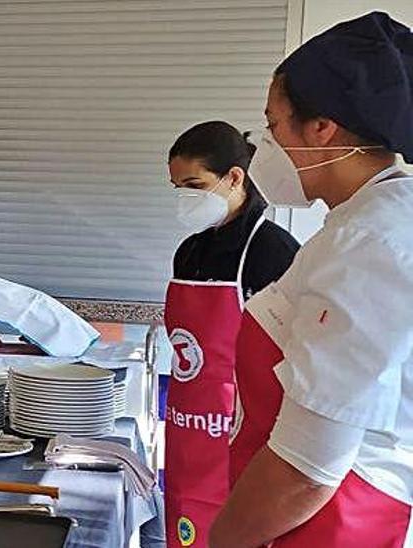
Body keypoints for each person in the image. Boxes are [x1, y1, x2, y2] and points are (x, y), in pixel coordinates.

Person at [210, 12, 413, 547]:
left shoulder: (369, 245)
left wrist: (226, 539)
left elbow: (306, 468)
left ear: (322, 128)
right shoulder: (363, 225)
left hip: (334, 518)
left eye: (273, 126)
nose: (264, 146)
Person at [161, 121, 299, 548]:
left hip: (242, 435)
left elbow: (292, 354)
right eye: (176, 187)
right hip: (187, 427)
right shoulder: (190, 251)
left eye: (193, 184)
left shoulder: (272, 250)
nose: (184, 197)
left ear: (234, 177)